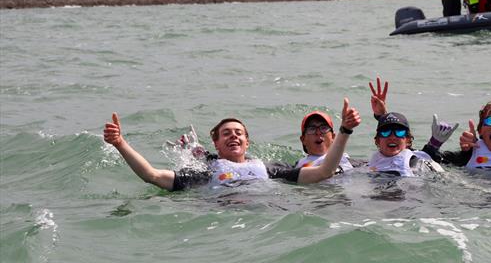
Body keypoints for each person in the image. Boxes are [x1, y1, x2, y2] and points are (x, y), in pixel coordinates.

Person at [102, 98, 361, 191]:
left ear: (248, 141)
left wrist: (345, 130)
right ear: (216, 142)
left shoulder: (271, 169)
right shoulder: (204, 174)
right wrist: (120, 143)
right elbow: (153, 176)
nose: (233, 136)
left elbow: (324, 172)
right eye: (226, 134)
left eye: (239, 133)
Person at [367, 76, 458, 177]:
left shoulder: (418, 163)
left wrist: (435, 144)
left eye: (399, 132)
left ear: (408, 140)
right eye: (385, 132)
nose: (392, 136)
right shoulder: (367, 165)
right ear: (377, 140)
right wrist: (382, 116)